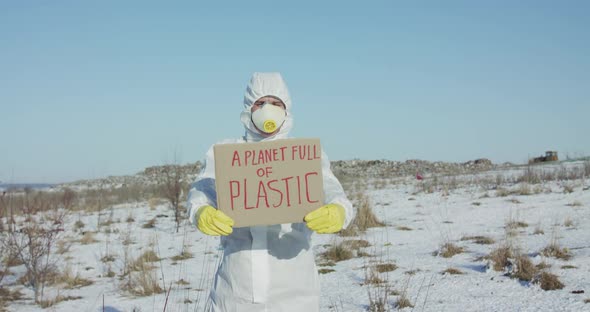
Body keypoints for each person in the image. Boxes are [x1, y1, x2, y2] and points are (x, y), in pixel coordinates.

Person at [187, 72, 354, 312]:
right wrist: (201, 211)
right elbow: (201, 190)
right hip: (237, 290)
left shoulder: (305, 156)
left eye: (276, 103)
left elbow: (332, 190)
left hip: (296, 290)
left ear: (287, 109)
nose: (268, 109)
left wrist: (338, 209)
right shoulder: (225, 153)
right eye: (260, 103)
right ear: (248, 108)